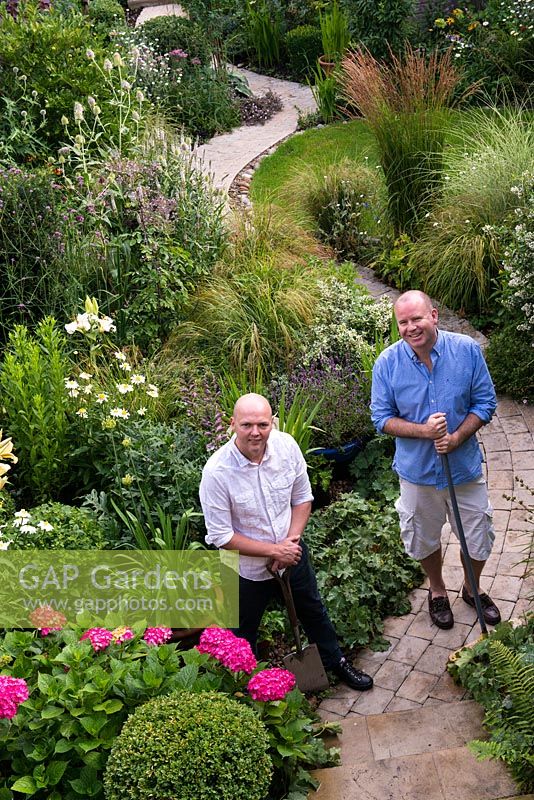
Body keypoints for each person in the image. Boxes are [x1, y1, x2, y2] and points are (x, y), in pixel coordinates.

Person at [199, 392, 373, 691]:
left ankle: (336, 662)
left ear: (272, 423)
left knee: (314, 611)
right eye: (247, 425)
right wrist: (271, 550)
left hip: (291, 555)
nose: (256, 432)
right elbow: (221, 536)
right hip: (246, 572)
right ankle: (245, 690)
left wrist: (289, 545)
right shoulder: (216, 472)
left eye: (263, 425)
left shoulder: (286, 447)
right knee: (242, 632)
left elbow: (303, 498)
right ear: (232, 424)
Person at [371, 290, 501, 630]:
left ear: (434, 316)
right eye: (403, 322)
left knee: (479, 537)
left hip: (463, 469)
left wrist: (457, 437)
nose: (411, 327)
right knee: (423, 538)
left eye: (417, 319)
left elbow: (485, 403)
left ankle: (472, 589)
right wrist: (423, 431)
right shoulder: (387, 363)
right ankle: (438, 590)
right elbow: (381, 418)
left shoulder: (467, 351)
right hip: (417, 474)